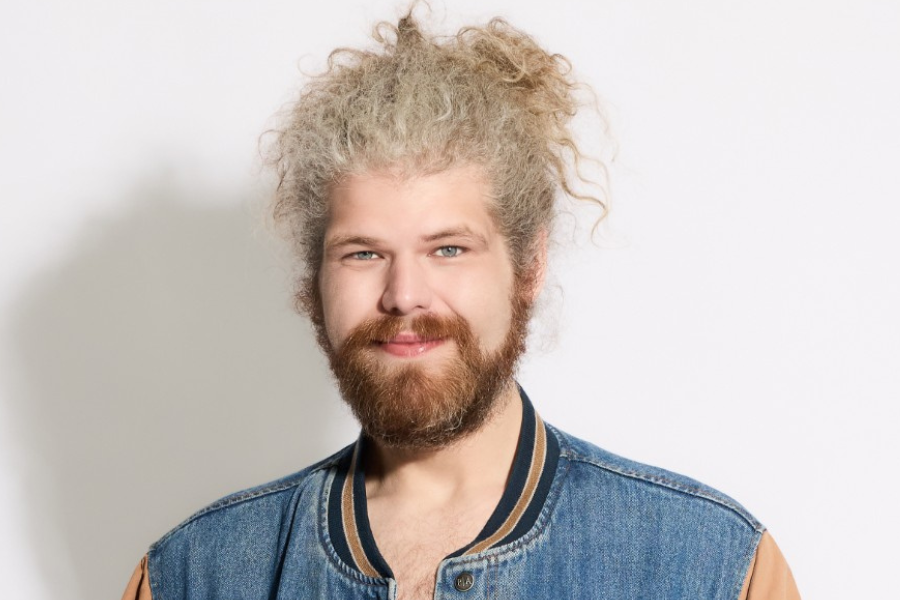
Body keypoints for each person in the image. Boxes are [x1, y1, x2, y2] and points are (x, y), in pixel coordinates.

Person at [122, 11, 800, 600]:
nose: (404, 295)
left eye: (448, 249)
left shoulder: (709, 567)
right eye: (362, 253)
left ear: (528, 266)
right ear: (311, 282)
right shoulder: (195, 574)